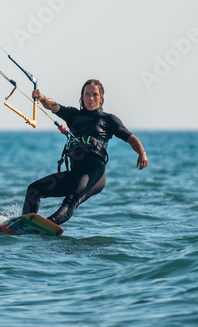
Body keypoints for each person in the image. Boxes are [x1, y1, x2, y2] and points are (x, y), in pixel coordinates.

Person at [22, 79, 147, 226]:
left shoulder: (108, 119)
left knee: (70, 200)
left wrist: (142, 153)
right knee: (34, 189)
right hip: (75, 173)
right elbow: (54, 106)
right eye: (87, 94)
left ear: (101, 98)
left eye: (95, 94)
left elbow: (130, 138)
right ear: (82, 97)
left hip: (94, 173)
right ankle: (24, 224)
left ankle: (46, 225)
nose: (91, 98)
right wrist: (42, 98)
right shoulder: (74, 115)